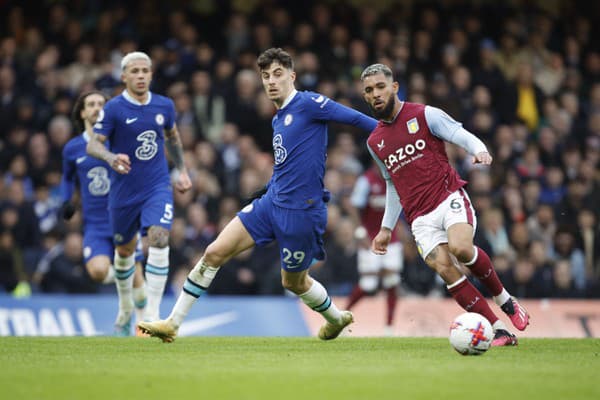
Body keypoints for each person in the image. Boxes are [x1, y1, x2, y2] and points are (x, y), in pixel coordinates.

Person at [138, 47, 377, 342]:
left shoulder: (309, 103)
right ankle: (173, 323)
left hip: (301, 212)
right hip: (270, 203)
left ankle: (335, 317)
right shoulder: (279, 118)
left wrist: (390, 137)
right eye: (265, 76)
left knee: (293, 281)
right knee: (213, 252)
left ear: (292, 76)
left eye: (277, 74)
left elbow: (357, 120)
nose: (271, 81)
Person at [360, 63, 529, 346]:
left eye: (380, 87)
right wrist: (386, 227)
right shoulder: (374, 141)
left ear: (394, 87)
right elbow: (392, 183)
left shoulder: (425, 114)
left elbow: (458, 133)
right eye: (368, 90)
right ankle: (499, 329)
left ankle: (506, 300)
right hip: (419, 218)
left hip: (447, 197)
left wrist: (479, 150)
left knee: (461, 248)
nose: (375, 94)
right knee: (444, 267)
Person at [86, 52, 192, 335]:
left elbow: (172, 137)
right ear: (124, 76)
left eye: (145, 70)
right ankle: (125, 308)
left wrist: (181, 168)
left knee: (158, 237)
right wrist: (110, 158)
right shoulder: (114, 109)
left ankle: (152, 314)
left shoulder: (164, 105)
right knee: (125, 252)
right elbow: (93, 146)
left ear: (151, 74)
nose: (141, 75)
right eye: (135, 71)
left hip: (157, 187)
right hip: (123, 194)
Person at [61, 90, 148, 334]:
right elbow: (67, 179)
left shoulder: (119, 140)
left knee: (137, 278)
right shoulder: (72, 148)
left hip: (124, 218)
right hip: (95, 224)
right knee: (98, 271)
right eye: (91, 104)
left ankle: (139, 323)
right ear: (82, 112)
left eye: (101, 103)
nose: (97, 107)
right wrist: (67, 201)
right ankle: (128, 307)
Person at [345, 163, 403, 335]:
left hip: (391, 239)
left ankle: (389, 327)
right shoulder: (366, 181)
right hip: (370, 238)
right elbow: (353, 206)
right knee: (368, 284)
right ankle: (340, 317)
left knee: (392, 280)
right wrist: (359, 232)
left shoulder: (396, 178)